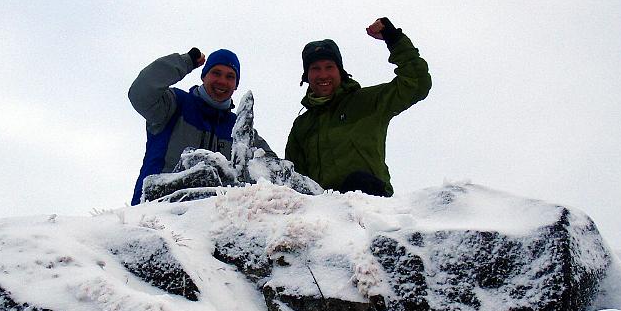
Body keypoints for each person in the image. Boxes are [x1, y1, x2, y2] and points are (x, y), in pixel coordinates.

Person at [284, 17, 431, 197]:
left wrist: (394, 39)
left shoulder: (366, 102)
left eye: (329, 67)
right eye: (315, 68)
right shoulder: (302, 126)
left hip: (371, 205)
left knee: (359, 180)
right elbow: (294, 181)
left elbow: (416, 83)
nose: (323, 75)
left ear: (340, 71)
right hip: (326, 215)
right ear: (307, 75)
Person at [127, 47, 273, 204]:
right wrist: (185, 62)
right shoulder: (173, 105)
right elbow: (140, 92)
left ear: (236, 85)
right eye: (216, 73)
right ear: (204, 76)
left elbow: (272, 168)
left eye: (230, 76)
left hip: (210, 221)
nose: (222, 81)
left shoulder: (241, 130)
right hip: (156, 211)